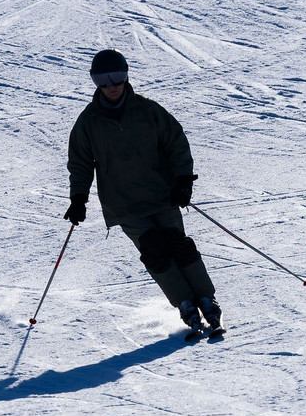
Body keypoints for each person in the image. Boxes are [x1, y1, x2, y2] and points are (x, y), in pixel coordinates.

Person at [64, 49, 223, 335]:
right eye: (103, 80)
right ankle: (186, 304)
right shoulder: (88, 122)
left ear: (126, 75)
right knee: (155, 252)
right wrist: (78, 199)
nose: (111, 85)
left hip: (162, 194)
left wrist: (183, 179)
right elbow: (80, 163)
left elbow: (176, 142)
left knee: (178, 244)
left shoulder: (147, 110)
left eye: (117, 77)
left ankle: (206, 300)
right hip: (124, 204)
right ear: (95, 82)